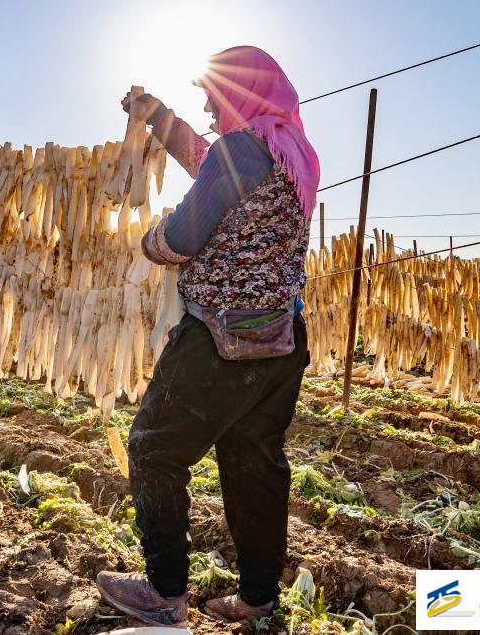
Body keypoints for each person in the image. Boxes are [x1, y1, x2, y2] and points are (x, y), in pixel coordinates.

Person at [96, 46, 319, 626]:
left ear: (237, 95)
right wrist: (160, 116)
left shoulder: (242, 150)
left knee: (152, 448)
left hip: (222, 342)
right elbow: (211, 162)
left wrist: (148, 241)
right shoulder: (288, 151)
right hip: (280, 340)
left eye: (213, 99)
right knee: (253, 464)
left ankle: (165, 594)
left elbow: (184, 236)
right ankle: (256, 601)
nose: (211, 111)